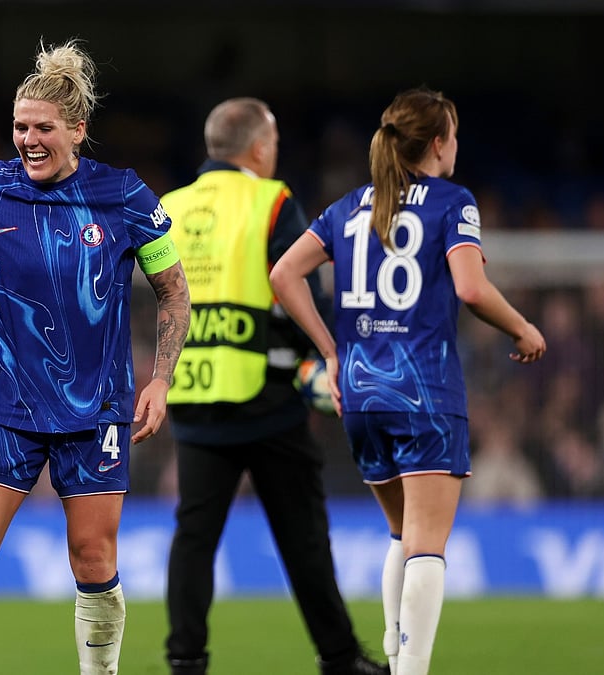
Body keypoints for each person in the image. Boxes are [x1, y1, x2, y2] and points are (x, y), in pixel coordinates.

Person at [0, 40, 191, 675]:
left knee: (93, 560)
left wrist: (160, 380)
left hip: (96, 409)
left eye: (43, 128)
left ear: (78, 130)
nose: (29, 140)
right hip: (4, 403)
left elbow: (174, 291)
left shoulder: (123, 196)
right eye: (21, 127)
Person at [269, 87, 547, 675]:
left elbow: (284, 273)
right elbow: (471, 288)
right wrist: (522, 328)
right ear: (439, 143)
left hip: (360, 393)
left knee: (401, 534)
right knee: (426, 541)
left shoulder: (349, 207)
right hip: (424, 390)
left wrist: (331, 350)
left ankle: (397, 660)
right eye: (454, 136)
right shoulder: (453, 202)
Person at [161, 98, 388, 675]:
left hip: (192, 393)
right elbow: (298, 284)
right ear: (259, 148)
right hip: (266, 396)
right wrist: (327, 354)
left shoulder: (170, 207)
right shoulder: (271, 199)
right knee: (303, 537)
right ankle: (339, 658)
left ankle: (185, 660)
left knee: (194, 537)